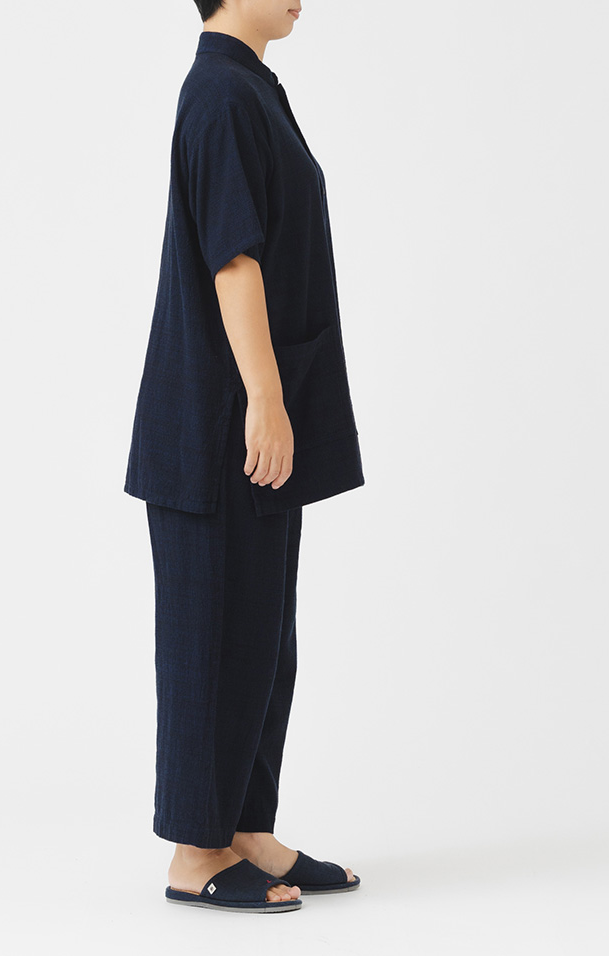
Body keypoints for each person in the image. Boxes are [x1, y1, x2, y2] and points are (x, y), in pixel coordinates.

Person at [124, 0, 365, 913]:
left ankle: (247, 829)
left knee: (263, 636)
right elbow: (235, 259)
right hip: (219, 423)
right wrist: (265, 397)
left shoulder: (251, 86)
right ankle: (197, 851)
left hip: (254, 419)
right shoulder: (220, 94)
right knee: (212, 637)